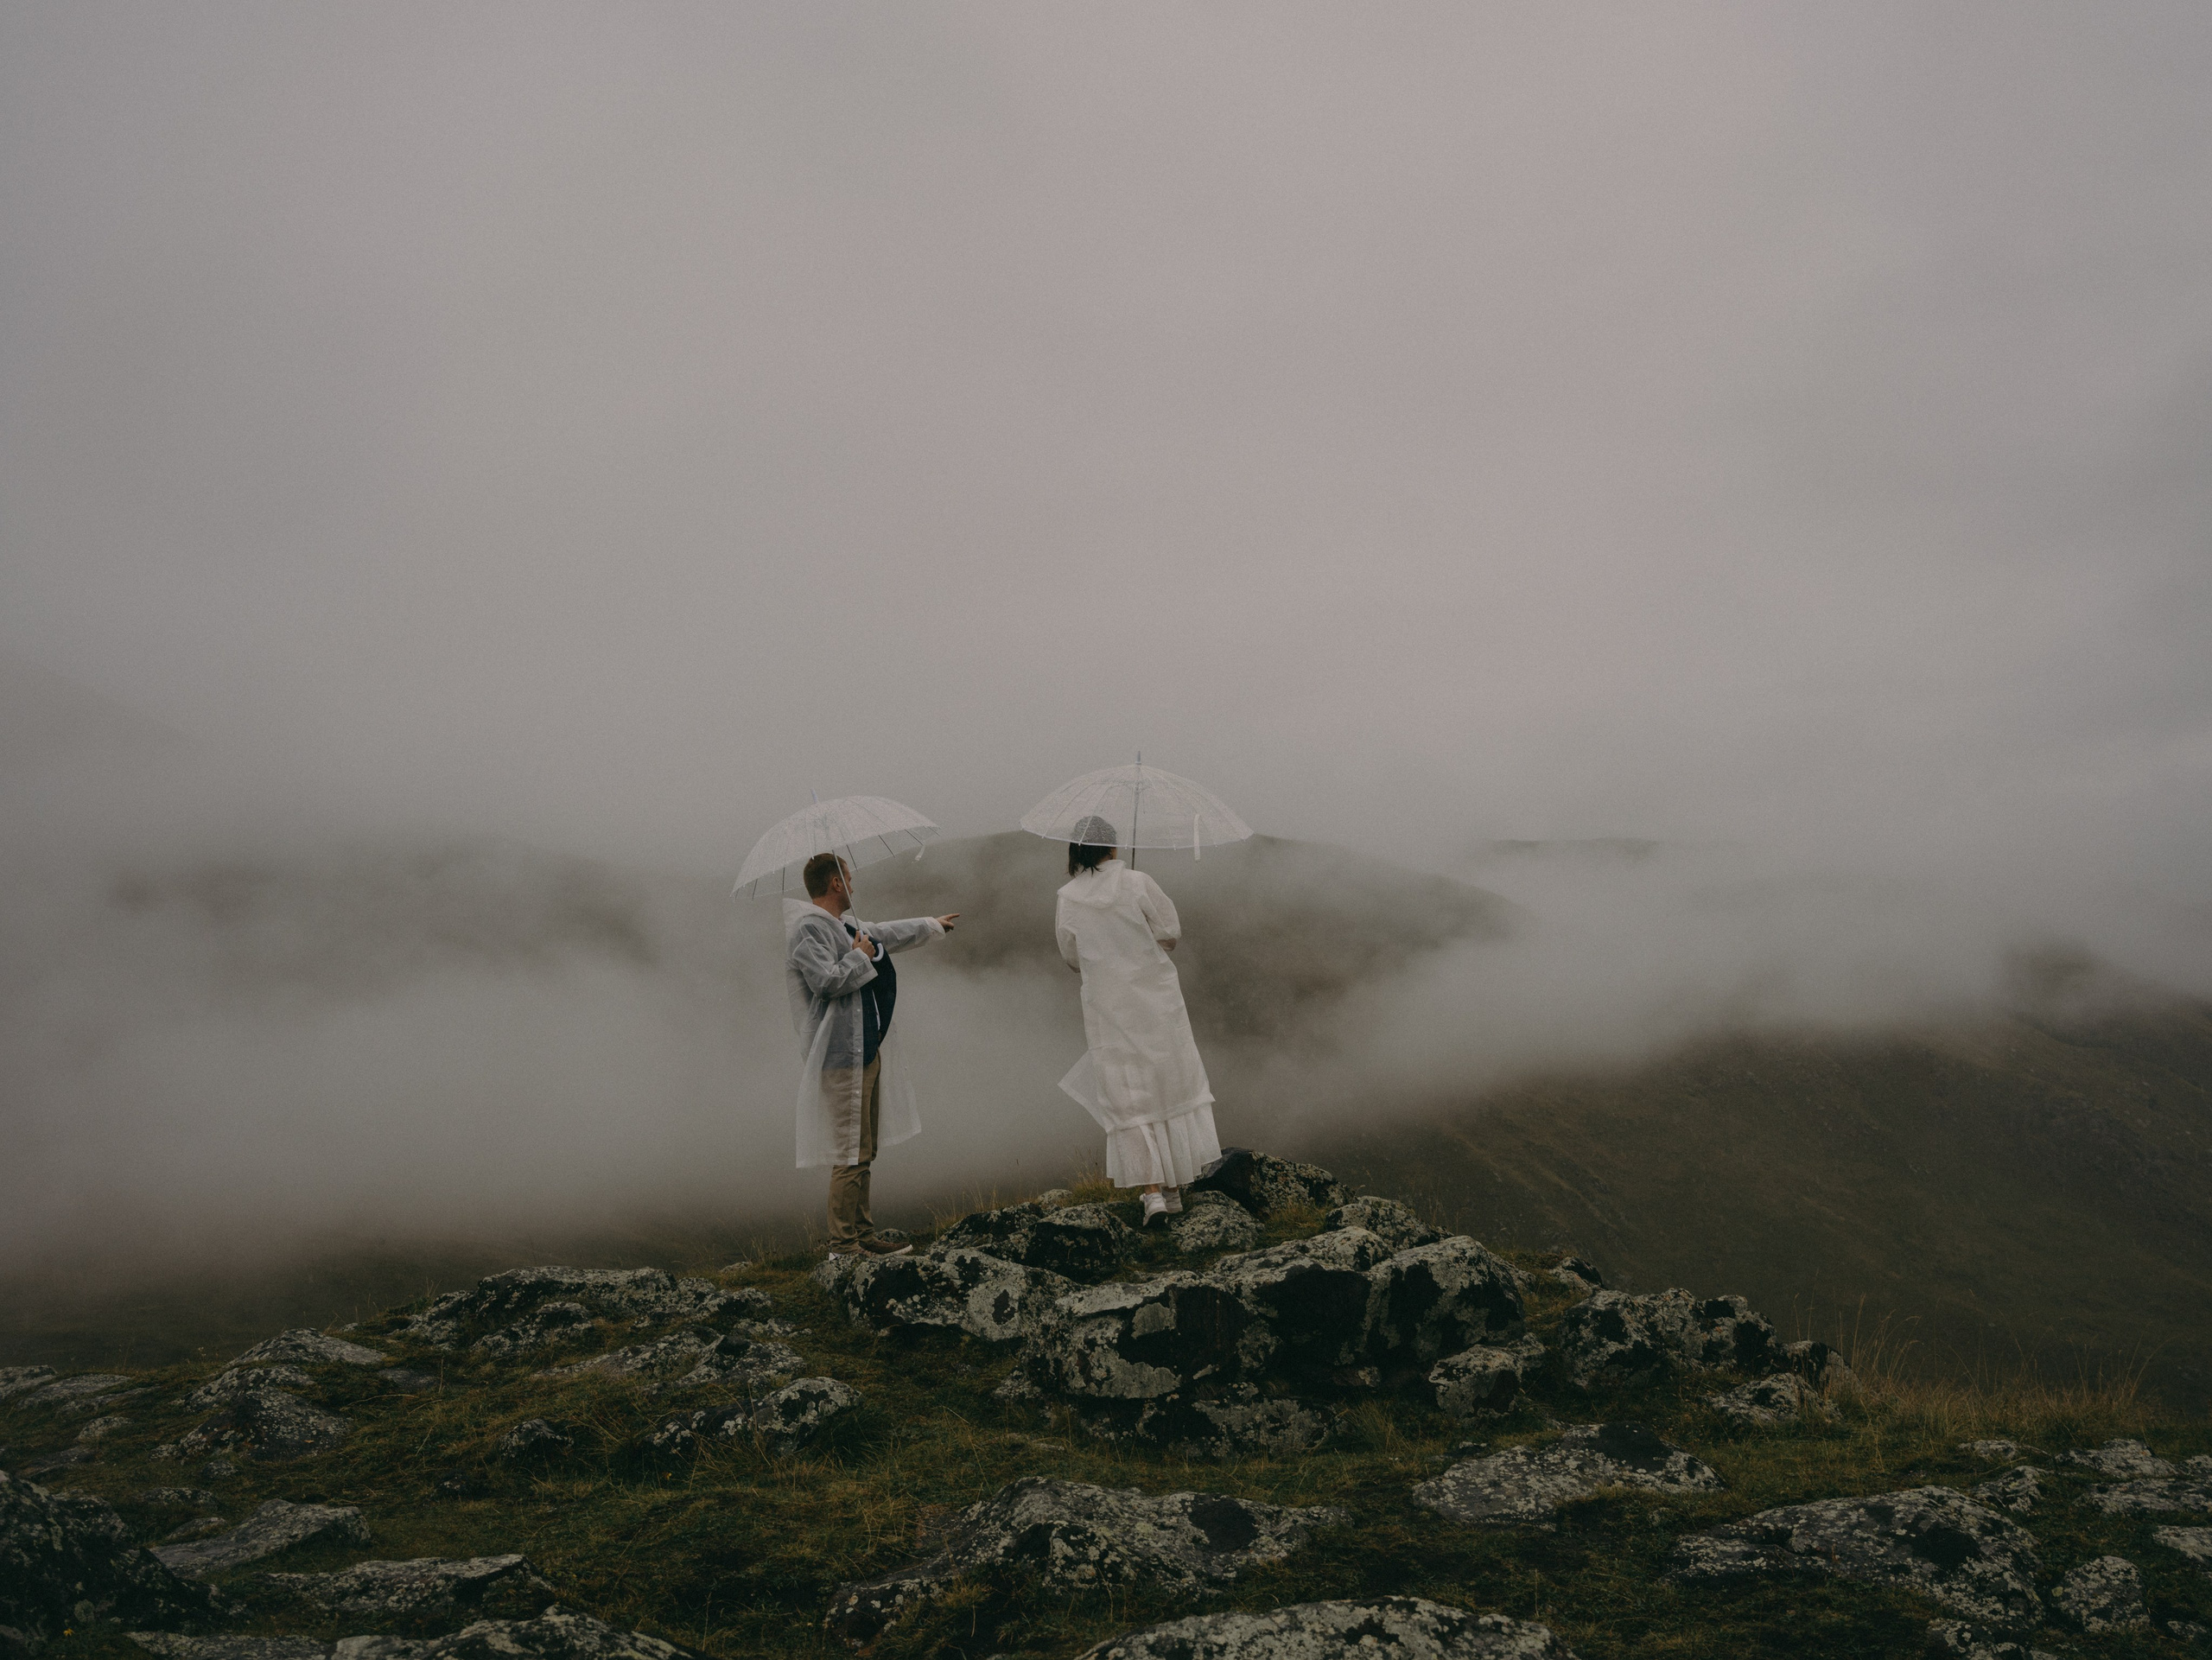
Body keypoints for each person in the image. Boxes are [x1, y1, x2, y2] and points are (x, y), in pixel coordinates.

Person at [784, 851, 958, 1258]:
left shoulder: (843, 925)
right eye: (848, 878)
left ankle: (862, 1235)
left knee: (864, 1150)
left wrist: (932, 925)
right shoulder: (808, 930)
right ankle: (843, 1246)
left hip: (864, 1049)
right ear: (835, 883)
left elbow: (885, 933)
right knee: (849, 1152)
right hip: (840, 1054)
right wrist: (860, 955)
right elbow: (826, 982)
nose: (852, 885)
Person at [1053, 815, 1221, 1226]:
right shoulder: (1138, 882)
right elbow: (1170, 933)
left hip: (1108, 1005)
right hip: (1155, 999)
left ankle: (1152, 1195)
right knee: (1167, 1081)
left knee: (1127, 1092)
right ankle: (1174, 1187)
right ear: (1112, 847)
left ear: (1076, 851)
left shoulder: (1068, 897)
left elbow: (1071, 957)